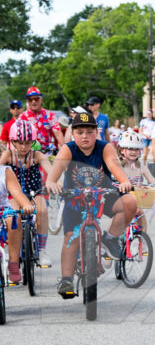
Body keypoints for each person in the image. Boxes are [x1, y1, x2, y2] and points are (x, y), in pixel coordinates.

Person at [45, 110, 138, 299]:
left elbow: (114, 167)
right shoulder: (68, 149)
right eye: (80, 132)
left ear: (97, 132)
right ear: (73, 133)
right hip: (75, 198)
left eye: (89, 132)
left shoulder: (105, 148)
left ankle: (110, 238)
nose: (85, 136)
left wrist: (124, 181)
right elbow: (53, 175)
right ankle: (67, 279)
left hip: (103, 194)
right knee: (71, 236)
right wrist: (52, 183)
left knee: (130, 201)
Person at [1, 118, 51, 267]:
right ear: (13, 142)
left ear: (32, 141)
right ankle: (12, 252)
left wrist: (55, 182)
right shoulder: (7, 155)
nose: (24, 146)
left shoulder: (37, 155)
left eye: (27, 142)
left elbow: (51, 171)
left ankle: (42, 250)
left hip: (35, 192)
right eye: (20, 142)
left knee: (42, 209)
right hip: (13, 194)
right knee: (13, 214)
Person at [1, 157, 36, 284]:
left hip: (3, 208)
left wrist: (26, 204)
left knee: (14, 219)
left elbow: (17, 192)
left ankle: (14, 264)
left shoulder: (5, 172)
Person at [20, 87, 64, 154]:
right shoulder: (22, 117)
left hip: (48, 153)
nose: (33, 101)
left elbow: (58, 134)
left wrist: (65, 150)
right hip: (29, 153)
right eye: (30, 99)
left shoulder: (50, 115)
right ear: (27, 101)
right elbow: (17, 137)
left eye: (36, 98)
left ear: (41, 100)